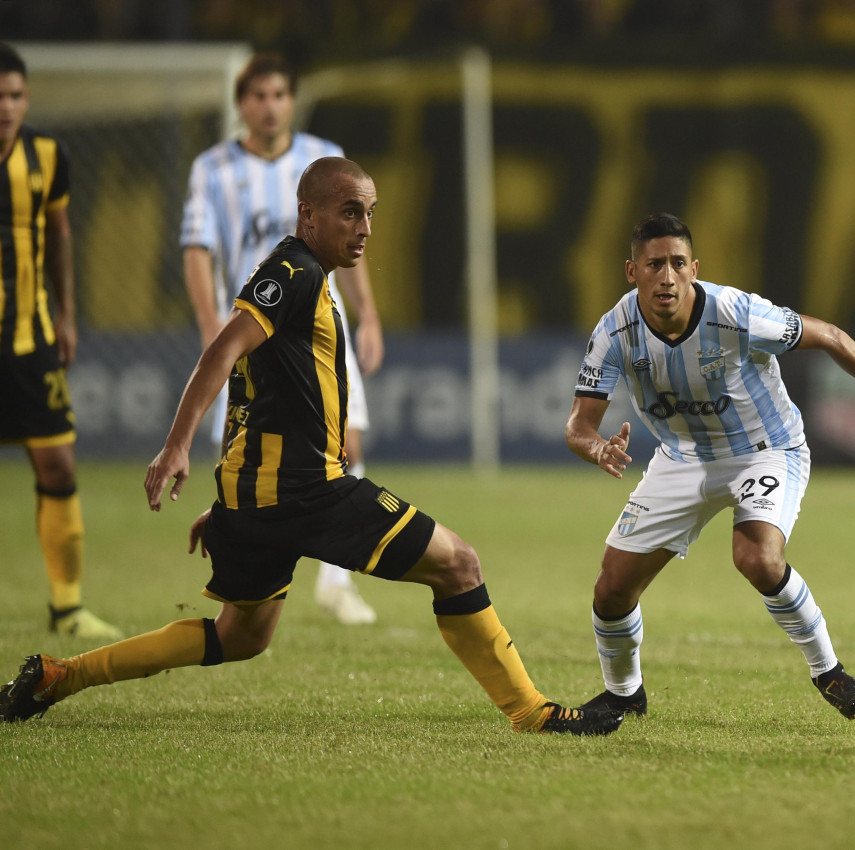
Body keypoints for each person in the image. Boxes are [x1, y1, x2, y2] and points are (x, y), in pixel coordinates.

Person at [0, 157, 622, 737]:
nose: (365, 228)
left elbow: (253, 392)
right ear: (309, 215)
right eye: (350, 211)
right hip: (307, 491)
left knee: (241, 637)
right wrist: (175, 447)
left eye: (371, 212)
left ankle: (63, 676)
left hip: (259, 499)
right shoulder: (292, 273)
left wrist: (231, 499)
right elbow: (221, 351)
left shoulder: (308, 277)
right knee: (458, 564)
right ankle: (532, 712)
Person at [565, 213, 855, 720]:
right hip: (683, 458)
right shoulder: (614, 332)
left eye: (677, 263)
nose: (666, 276)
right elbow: (578, 425)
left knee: (757, 559)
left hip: (766, 449)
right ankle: (624, 694)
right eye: (654, 265)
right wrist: (597, 448)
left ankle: (830, 674)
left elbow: (830, 335)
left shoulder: (734, 313)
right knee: (611, 588)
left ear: (694, 268)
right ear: (633, 271)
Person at [180, 52, 382, 625]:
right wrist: (208, 322)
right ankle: (251, 556)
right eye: (258, 96)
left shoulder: (321, 158)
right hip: (256, 327)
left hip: (321, 321)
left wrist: (368, 314)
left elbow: (352, 241)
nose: (269, 107)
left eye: (279, 95)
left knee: (349, 441)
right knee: (249, 443)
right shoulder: (212, 168)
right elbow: (198, 250)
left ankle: (337, 581)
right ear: (241, 103)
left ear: (292, 101)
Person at [0, 42, 121, 641]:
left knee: (57, 463)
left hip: (30, 341)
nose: (6, 107)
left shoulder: (48, 155)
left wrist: (68, 313)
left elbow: (60, 232)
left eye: (15, 95)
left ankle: (67, 607)